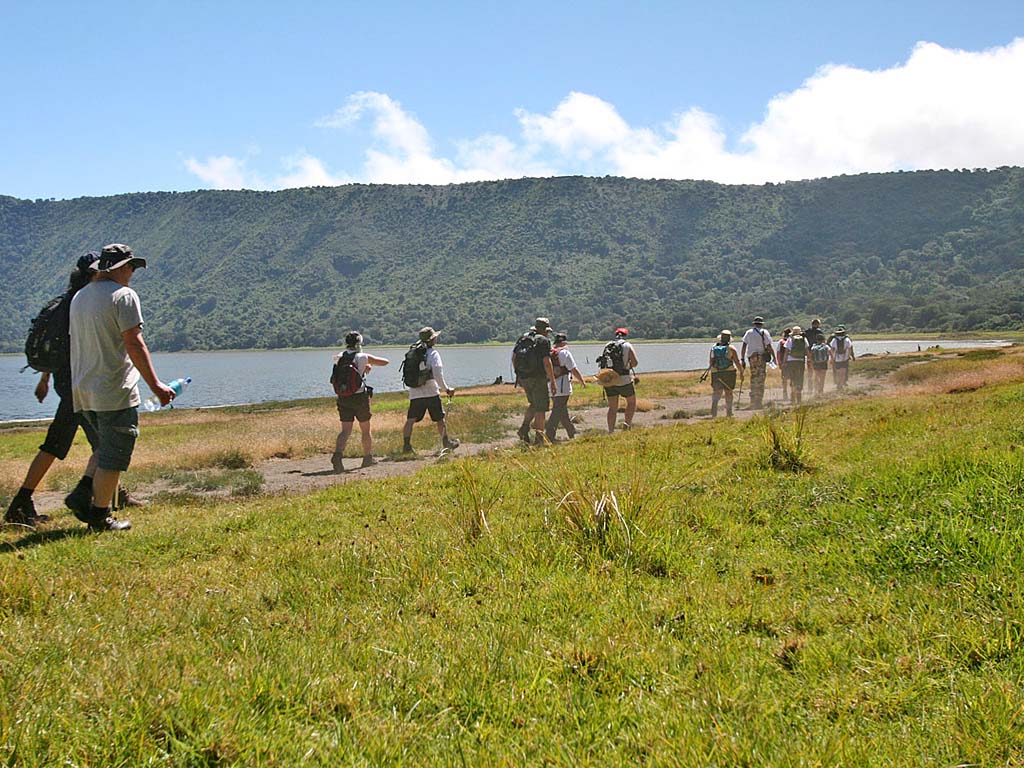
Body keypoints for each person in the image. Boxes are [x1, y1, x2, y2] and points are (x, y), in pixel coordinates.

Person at [67, 244, 176, 532]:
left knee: (104, 447)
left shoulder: (80, 297)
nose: (132, 273)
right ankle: (100, 517)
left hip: (83, 389)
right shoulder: (123, 296)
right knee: (114, 456)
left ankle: (82, 493)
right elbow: (134, 342)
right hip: (113, 388)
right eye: (131, 267)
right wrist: (157, 385)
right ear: (120, 267)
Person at [4, 254, 102, 527]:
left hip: (65, 380)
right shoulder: (82, 304)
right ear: (91, 276)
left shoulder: (64, 302)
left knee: (98, 439)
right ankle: (20, 504)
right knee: (69, 442)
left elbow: (56, 347)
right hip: (78, 384)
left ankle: (111, 492)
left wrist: (45, 378)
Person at [331, 331, 389, 471]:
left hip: (343, 397)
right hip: (359, 397)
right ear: (359, 343)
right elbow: (385, 362)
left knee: (345, 430)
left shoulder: (339, 356)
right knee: (365, 429)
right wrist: (368, 366)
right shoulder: (362, 357)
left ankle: (337, 455)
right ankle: (367, 458)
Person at [401, 327, 459, 455]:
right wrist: (446, 389)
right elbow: (438, 374)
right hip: (431, 392)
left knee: (410, 420)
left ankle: (406, 446)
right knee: (439, 419)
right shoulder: (433, 354)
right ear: (432, 339)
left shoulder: (413, 353)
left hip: (415, 392)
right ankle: (446, 443)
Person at [513, 317, 557, 445]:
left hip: (525, 377)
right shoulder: (543, 341)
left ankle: (524, 428)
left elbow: (514, 357)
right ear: (545, 330)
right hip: (538, 378)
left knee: (533, 404)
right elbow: (547, 362)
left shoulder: (523, 339)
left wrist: (519, 375)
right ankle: (539, 439)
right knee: (541, 408)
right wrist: (553, 381)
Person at [544, 332, 587, 441]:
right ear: (564, 342)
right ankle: (549, 435)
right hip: (563, 387)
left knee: (562, 411)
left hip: (551, 386)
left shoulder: (550, 353)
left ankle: (571, 433)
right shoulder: (565, 353)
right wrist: (582, 381)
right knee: (557, 411)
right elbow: (573, 369)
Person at [600, 327, 639, 432]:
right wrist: (627, 366)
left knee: (612, 408)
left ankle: (611, 431)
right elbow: (635, 363)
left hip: (609, 379)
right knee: (631, 402)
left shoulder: (608, 345)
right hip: (624, 379)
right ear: (625, 335)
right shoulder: (627, 345)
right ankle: (627, 425)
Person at [740, 317, 774, 409]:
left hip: (752, 358)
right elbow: (769, 346)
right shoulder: (764, 332)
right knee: (761, 378)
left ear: (754, 324)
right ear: (762, 324)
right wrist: (774, 357)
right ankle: (758, 402)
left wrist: (742, 358)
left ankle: (753, 401)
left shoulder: (749, 332)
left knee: (754, 378)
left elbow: (744, 345)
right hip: (761, 357)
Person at [708, 330, 744, 418]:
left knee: (717, 392)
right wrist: (741, 372)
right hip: (729, 372)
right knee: (729, 392)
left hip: (716, 373)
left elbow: (711, 362)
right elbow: (736, 361)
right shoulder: (731, 349)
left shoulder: (713, 348)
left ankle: (714, 411)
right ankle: (729, 412)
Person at [780, 324, 808, 405]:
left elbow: (786, 352)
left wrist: (784, 362)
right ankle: (799, 398)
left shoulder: (790, 339)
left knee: (792, 379)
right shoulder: (804, 339)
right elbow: (807, 350)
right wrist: (809, 359)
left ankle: (792, 398)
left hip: (791, 362)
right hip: (800, 361)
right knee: (800, 378)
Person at [806, 318, 829, 396]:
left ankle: (810, 388)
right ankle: (819, 389)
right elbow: (824, 342)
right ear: (817, 324)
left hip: (810, 354)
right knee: (819, 374)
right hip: (819, 356)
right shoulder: (819, 332)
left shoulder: (807, 332)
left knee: (810, 373)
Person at [830, 325, 855, 391]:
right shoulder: (847, 339)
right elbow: (849, 348)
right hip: (845, 358)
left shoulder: (834, 340)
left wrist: (832, 358)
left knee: (838, 372)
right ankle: (841, 384)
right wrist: (849, 356)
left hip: (837, 358)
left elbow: (832, 349)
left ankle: (838, 384)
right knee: (843, 372)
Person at [777, 327, 792, 402]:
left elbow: (778, 352)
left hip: (784, 362)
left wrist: (779, 362)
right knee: (792, 377)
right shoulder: (793, 340)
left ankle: (785, 392)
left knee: (784, 378)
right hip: (792, 362)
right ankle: (793, 392)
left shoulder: (781, 341)